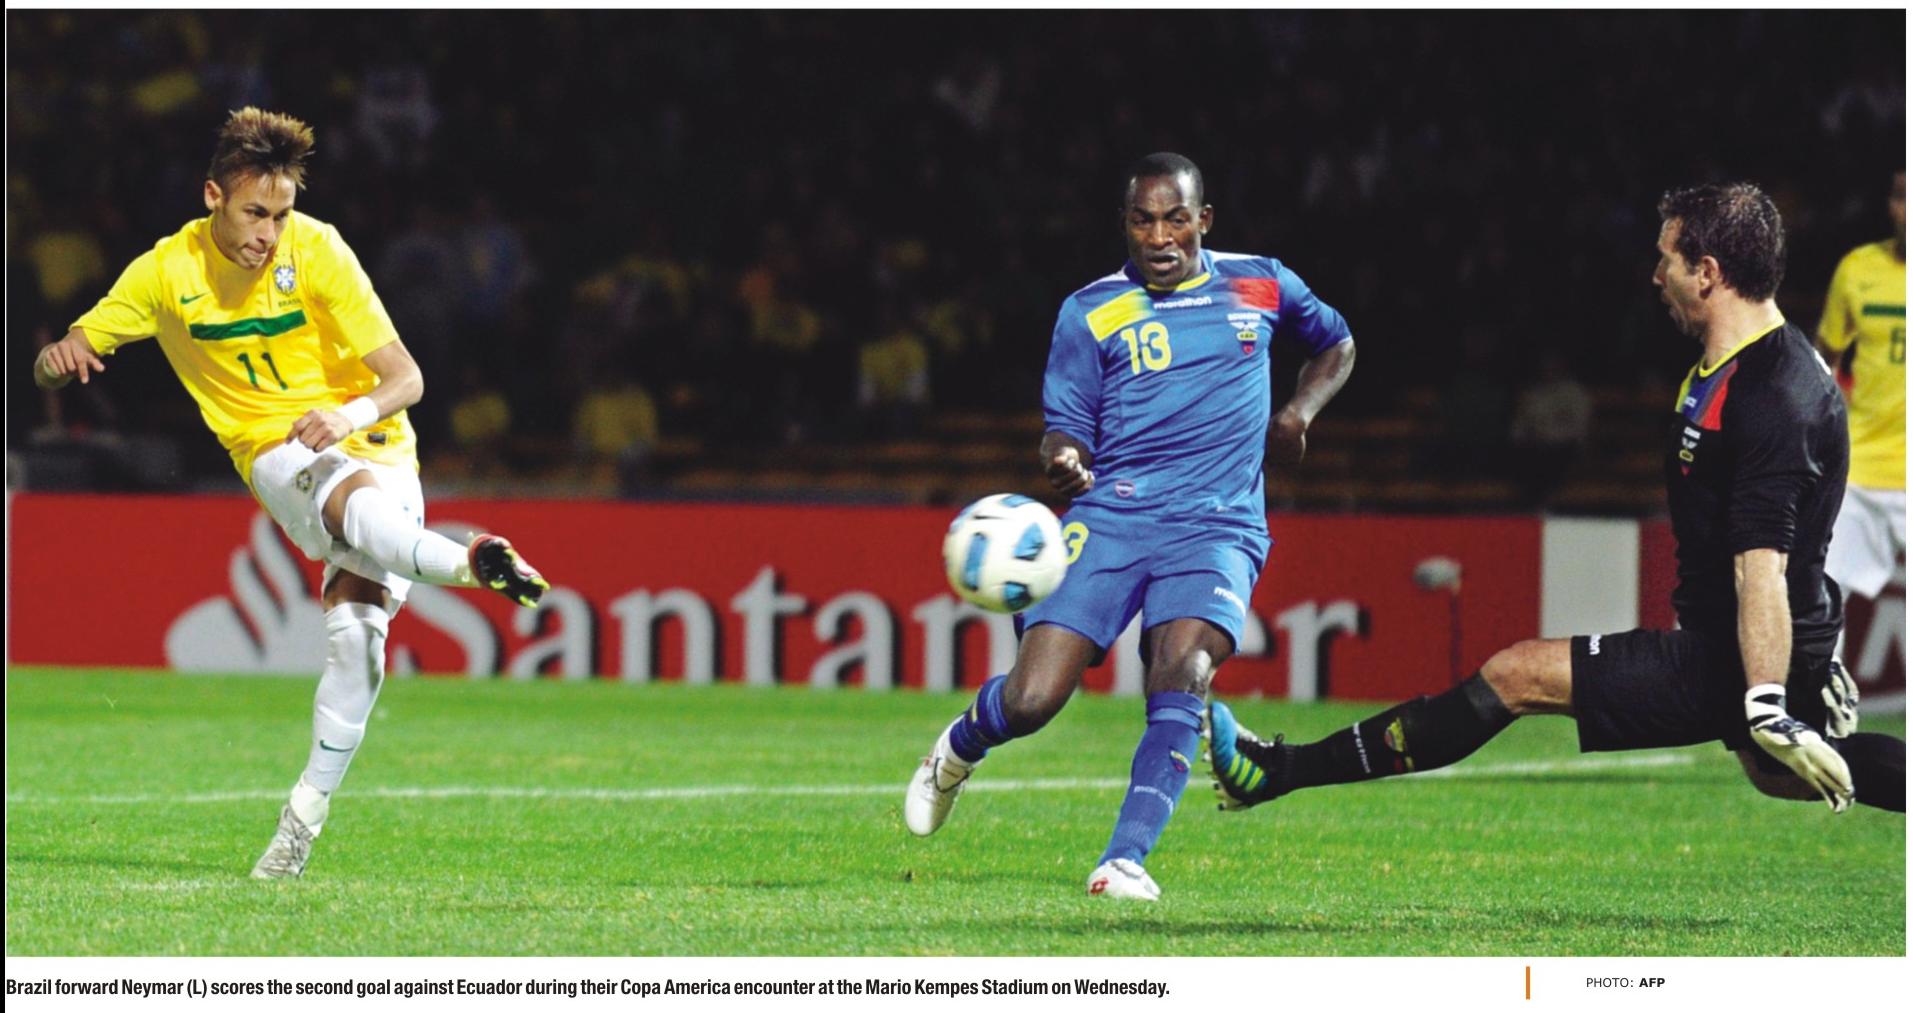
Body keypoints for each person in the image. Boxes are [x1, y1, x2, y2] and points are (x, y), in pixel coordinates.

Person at [1208, 182, 1904, 820]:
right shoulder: (1746, 364)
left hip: (1729, 654)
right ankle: (1275, 773)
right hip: (1758, 639)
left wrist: (1771, 695)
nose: (1654, 275)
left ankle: (1275, 772)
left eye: (1665, 258)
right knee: (1780, 774)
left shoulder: (1771, 397)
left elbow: (1762, 566)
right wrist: (1805, 655)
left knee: (1515, 675)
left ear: (1707, 272)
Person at [33, 108, 551, 880]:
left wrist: (346, 415)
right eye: (254, 213)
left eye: (280, 215)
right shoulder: (164, 273)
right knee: (346, 498)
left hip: (373, 437)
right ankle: (471, 565)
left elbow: (406, 378)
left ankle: (301, 819)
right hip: (273, 449)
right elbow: (60, 355)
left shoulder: (318, 249)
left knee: (358, 637)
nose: (269, 233)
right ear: (213, 196)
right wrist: (58, 357)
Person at [904, 153, 1357, 900]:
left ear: (1203, 219)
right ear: (1124, 224)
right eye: (1143, 221)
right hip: (1112, 517)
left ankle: (1123, 860)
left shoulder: (1262, 282)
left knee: (1184, 670)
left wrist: (1297, 414)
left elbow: (1337, 343)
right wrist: (1064, 460)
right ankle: (957, 748)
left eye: (1175, 219)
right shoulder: (1091, 310)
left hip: (1217, 526)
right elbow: (1062, 429)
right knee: (1032, 700)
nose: (1159, 237)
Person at [1816, 170, 1905, 664]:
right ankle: (1818, 702)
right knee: (1822, 595)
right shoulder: (1857, 270)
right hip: (1862, 467)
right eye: (1900, 197)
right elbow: (1825, 357)